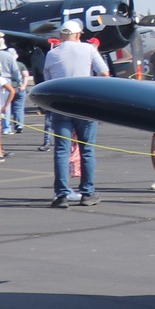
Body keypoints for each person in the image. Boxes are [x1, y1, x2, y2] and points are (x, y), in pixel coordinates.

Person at [41, 20, 108, 207]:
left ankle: (61, 194)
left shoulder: (52, 54)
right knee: (87, 149)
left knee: (61, 150)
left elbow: (48, 81)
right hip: (84, 104)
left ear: (62, 36)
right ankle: (87, 192)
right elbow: (104, 73)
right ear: (78, 35)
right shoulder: (88, 49)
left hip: (60, 105)